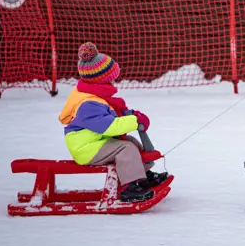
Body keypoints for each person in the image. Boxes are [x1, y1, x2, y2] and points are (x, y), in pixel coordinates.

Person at [58, 42, 168, 203]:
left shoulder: (95, 94)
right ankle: (129, 188)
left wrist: (129, 114)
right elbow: (110, 126)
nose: (113, 82)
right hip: (86, 149)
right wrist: (134, 121)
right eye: (111, 79)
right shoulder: (88, 104)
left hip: (96, 141)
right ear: (101, 80)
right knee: (126, 148)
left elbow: (111, 113)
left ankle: (142, 176)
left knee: (131, 142)